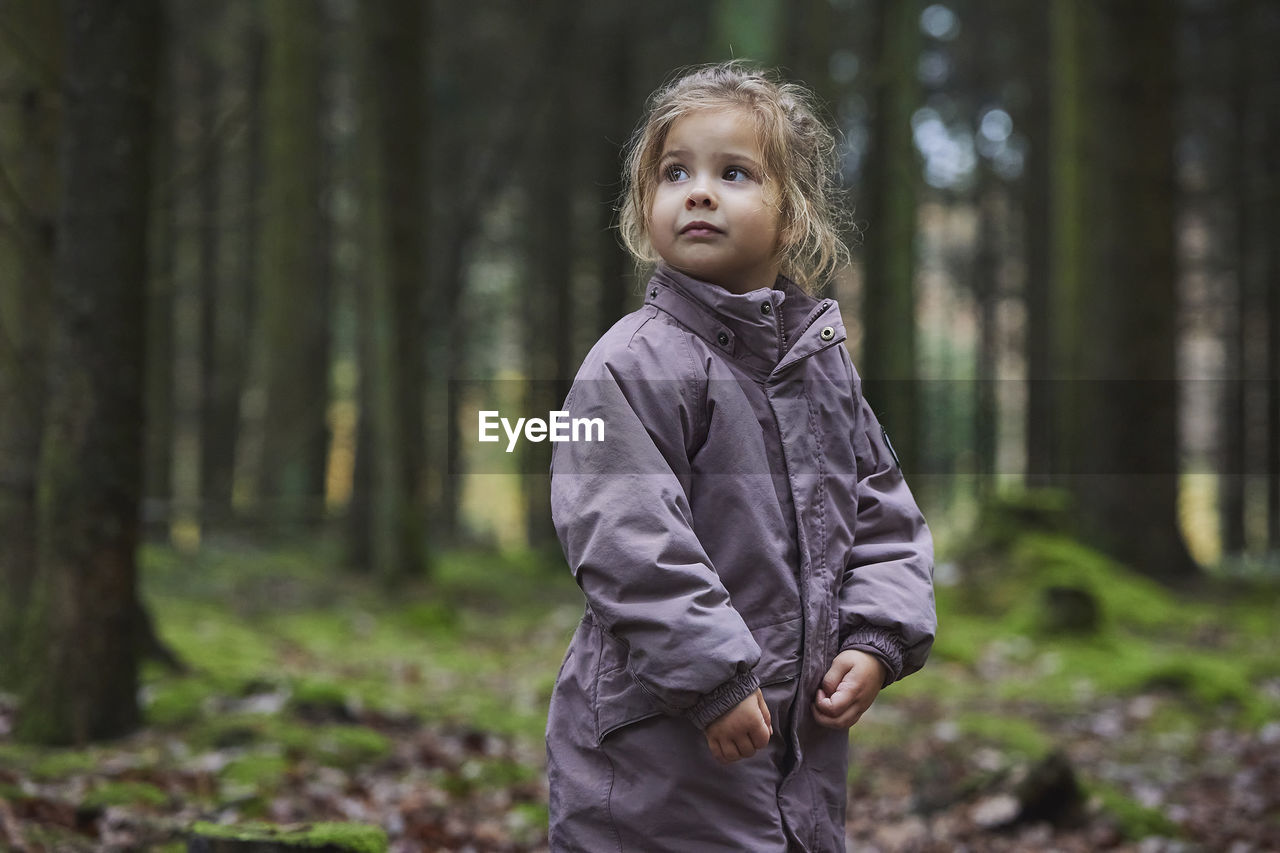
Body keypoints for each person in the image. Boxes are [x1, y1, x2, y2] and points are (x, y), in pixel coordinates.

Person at [544, 60, 936, 852]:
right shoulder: (631, 363)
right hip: (660, 745)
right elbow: (624, 537)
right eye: (675, 172)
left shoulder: (822, 365)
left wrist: (876, 638)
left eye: (734, 173)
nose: (697, 190)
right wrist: (713, 676)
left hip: (797, 744)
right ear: (643, 204)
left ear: (791, 216)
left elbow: (883, 514)